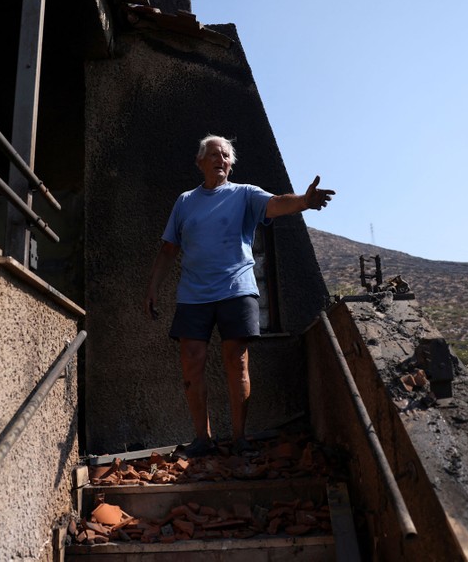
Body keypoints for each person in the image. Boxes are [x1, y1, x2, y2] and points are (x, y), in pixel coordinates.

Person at [144, 135, 335, 458]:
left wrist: (303, 200)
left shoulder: (244, 194)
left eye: (226, 156)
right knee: (192, 363)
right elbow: (168, 249)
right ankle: (202, 440)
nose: (221, 159)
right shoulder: (185, 201)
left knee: (237, 362)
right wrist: (153, 288)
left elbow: (275, 203)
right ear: (200, 161)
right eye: (215, 154)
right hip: (194, 295)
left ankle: (239, 438)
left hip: (236, 290)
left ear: (231, 164)